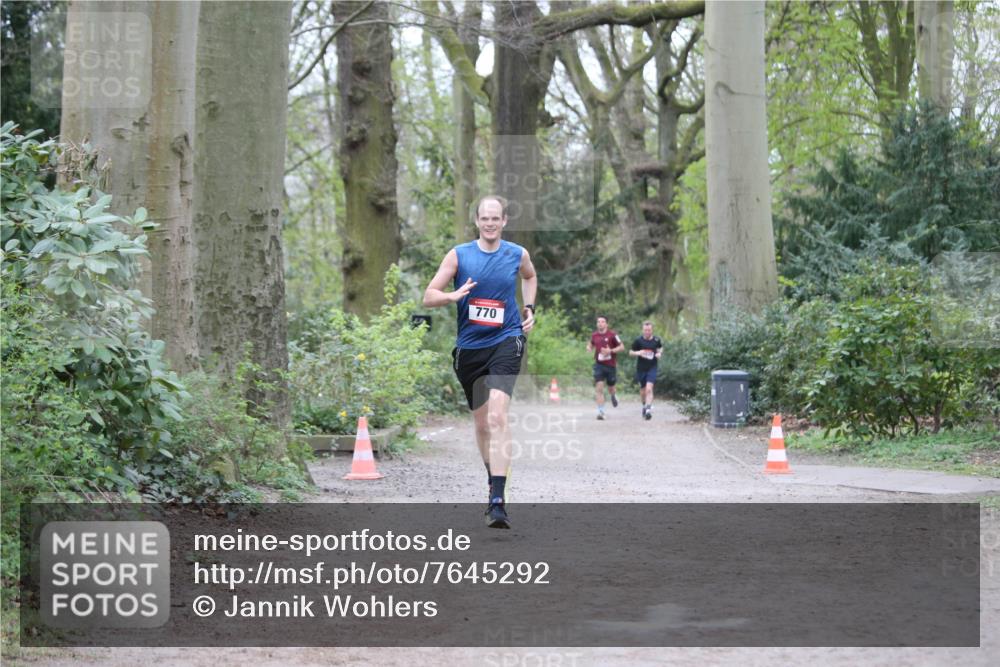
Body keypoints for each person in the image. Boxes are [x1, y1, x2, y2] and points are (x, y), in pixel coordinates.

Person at [422, 195, 537, 529]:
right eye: (484, 218)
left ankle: (498, 501)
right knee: (482, 424)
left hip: (507, 339)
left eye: (495, 218)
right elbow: (429, 296)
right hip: (470, 348)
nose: (490, 223)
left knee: (499, 416)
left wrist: (529, 308)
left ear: (504, 221)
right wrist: (451, 296)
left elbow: (529, 277)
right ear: (477, 221)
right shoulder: (459, 255)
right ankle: (493, 478)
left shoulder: (517, 254)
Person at [586, 316, 624, 420]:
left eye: (602, 322)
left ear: (606, 324)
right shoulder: (594, 335)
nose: (600, 323)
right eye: (598, 322)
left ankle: (613, 395)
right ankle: (601, 412)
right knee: (599, 388)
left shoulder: (613, 335)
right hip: (599, 365)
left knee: (611, 387)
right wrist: (589, 347)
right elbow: (591, 343)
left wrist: (610, 351)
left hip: (610, 365)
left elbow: (622, 347)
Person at [629, 321, 663, 420]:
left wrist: (659, 354)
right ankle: (644, 405)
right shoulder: (638, 341)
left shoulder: (656, 340)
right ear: (643, 330)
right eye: (645, 330)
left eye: (649, 330)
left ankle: (648, 410)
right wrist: (638, 353)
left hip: (652, 367)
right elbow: (630, 352)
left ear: (652, 330)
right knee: (643, 390)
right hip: (641, 369)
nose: (647, 332)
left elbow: (660, 348)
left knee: (649, 388)